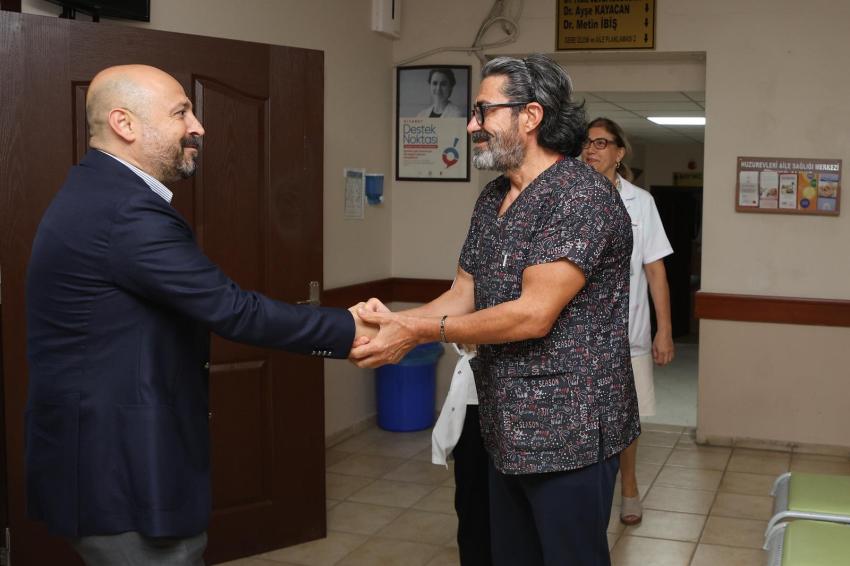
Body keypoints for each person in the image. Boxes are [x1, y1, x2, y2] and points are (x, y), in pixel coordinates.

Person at [25, 64, 374, 566]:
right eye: (181, 113)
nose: (199, 127)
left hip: (99, 463)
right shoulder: (126, 210)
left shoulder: (97, 192)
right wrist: (352, 328)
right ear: (125, 124)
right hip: (120, 472)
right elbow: (231, 309)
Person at [351, 54, 638, 566]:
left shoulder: (580, 197)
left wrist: (417, 332)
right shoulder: (493, 198)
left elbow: (532, 314)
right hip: (504, 426)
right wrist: (391, 322)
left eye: (483, 110)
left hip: (569, 432)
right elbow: (464, 291)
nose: (471, 125)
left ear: (531, 116)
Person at [581, 117, 675, 525]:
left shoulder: (641, 203)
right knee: (583, 418)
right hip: (579, 337)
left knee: (626, 420)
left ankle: (630, 488)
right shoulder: (569, 196)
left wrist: (664, 330)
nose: (592, 149)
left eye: (602, 143)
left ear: (619, 153)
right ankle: (587, 493)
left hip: (628, 335)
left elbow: (655, 270)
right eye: (587, 142)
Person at [431, 344, 491, 566]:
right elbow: (463, 339)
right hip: (474, 403)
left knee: (515, 515)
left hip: (528, 407)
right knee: (473, 511)